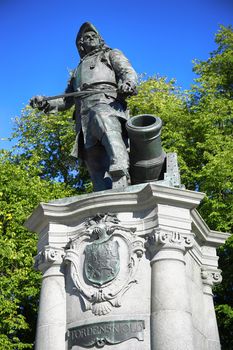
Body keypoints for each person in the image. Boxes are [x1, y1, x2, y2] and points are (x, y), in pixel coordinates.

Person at [30, 22, 137, 191]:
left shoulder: (110, 54)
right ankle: (101, 195)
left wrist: (129, 83)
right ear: (81, 44)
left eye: (94, 36)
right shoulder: (77, 71)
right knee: (93, 161)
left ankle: (121, 170)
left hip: (106, 103)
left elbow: (127, 71)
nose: (91, 38)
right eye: (86, 37)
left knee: (105, 124)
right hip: (83, 116)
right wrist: (46, 103)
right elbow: (66, 100)